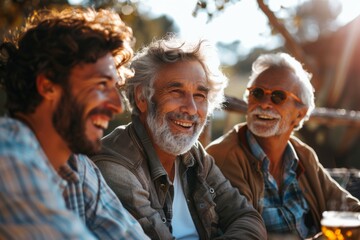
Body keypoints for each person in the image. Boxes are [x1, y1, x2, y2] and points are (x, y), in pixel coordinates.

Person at [90, 36, 267, 239]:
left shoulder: (194, 154)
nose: (191, 108)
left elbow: (247, 216)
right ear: (142, 97)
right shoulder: (115, 167)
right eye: (176, 91)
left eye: (200, 96)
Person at [0, 7, 149, 239]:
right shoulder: (7, 152)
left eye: (115, 88)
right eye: (101, 85)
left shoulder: (78, 167)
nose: (116, 106)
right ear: (48, 85)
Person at [206, 52, 360, 239]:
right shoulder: (222, 156)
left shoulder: (304, 156)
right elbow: (244, 233)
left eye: (278, 96)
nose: (264, 104)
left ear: (299, 114)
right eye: (257, 93)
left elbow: (349, 209)